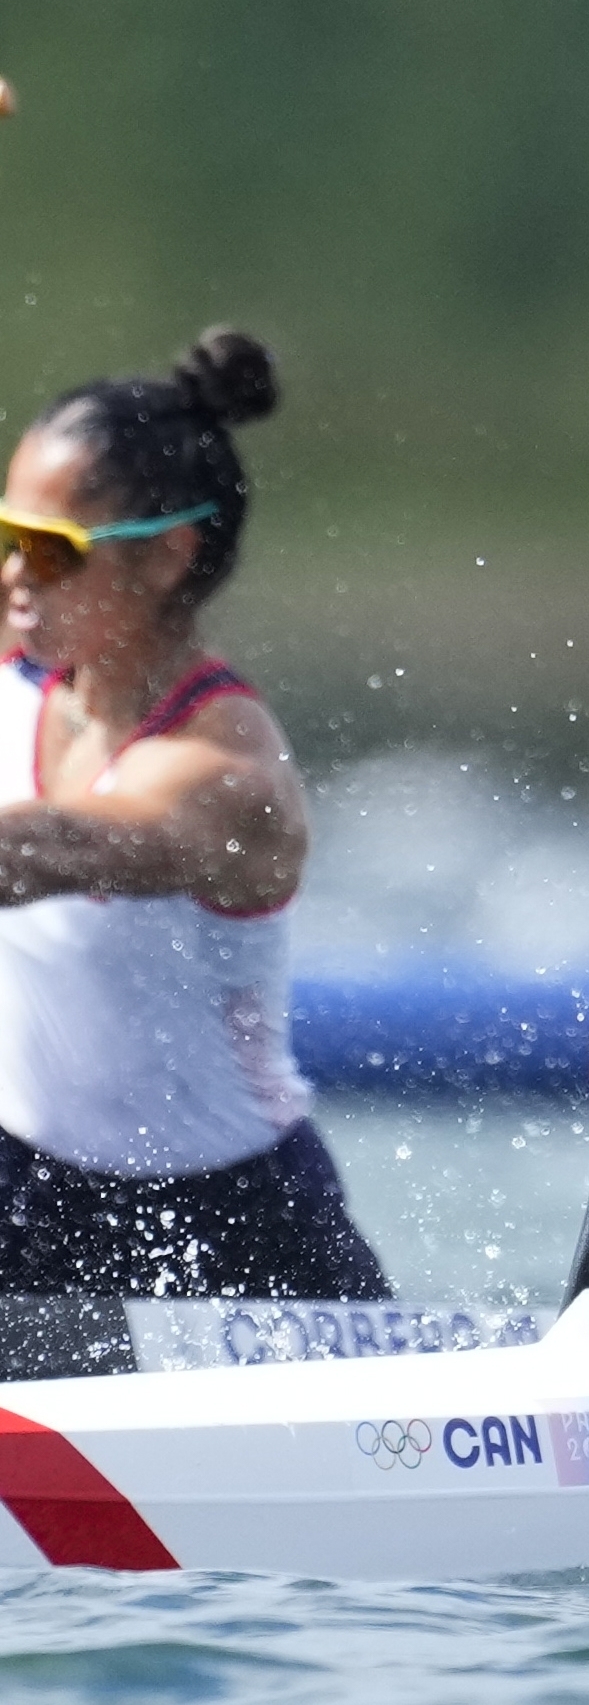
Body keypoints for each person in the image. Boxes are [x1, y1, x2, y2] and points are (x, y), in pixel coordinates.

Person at [0, 329, 390, 1300]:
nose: (13, 573)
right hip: (22, 1195)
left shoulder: (229, 774)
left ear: (168, 556)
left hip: (234, 1229)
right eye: (4, 536)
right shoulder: (20, 675)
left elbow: (49, 847)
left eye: (47, 551)